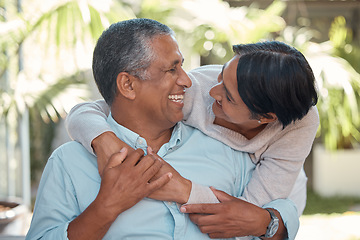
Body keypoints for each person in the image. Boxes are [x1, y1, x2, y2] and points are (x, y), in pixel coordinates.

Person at [26, 18, 299, 240]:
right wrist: (106, 207)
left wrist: (268, 223)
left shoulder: (227, 149)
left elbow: (276, 214)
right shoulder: (69, 163)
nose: (188, 81)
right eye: (171, 70)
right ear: (128, 85)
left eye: (182, 66)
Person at [65, 33, 319, 219]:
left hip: (279, 188)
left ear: (266, 117)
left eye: (228, 96)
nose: (213, 91)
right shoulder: (195, 91)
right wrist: (104, 139)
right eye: (221, 76)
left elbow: (245, 215)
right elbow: (87, 110)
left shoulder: (298, 125)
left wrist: (183, 189)